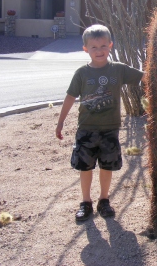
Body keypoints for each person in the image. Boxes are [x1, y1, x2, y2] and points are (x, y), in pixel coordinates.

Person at [55, 24, 143, 222]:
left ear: (110, 45)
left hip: (109, 130)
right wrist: (60, 123)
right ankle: (85, 202)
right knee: (85, 167)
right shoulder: (81, 74)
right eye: (94, 47)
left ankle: (104, 200)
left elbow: (144, 77)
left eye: (103, 45)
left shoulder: (119, 70)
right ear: (85, 49)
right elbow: (70, 98)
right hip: (86, 129)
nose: (99, 50)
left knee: (107, 166)